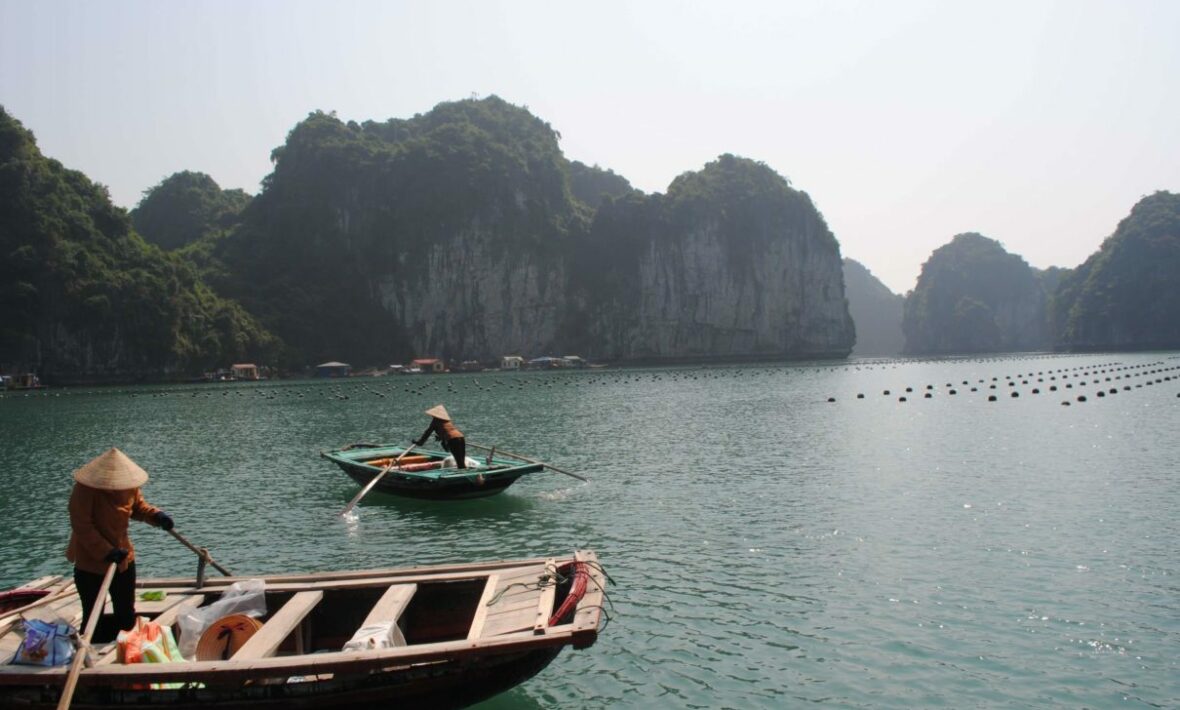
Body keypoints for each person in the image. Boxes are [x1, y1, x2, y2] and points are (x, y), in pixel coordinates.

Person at [65, 448, 174, 642]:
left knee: (125, 612)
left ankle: (127, 651)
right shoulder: (85, 489)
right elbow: (82, 525)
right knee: (93, 615)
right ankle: (89, 657)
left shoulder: (128, 486)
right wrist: (106, 552)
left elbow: (138, 507)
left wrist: (157, 516)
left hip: (123, 558)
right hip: (91, 563)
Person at [414, 404, 467, 469]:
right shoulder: (447, 421)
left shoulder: (435, 421)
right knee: (461, 461)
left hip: (453, 439)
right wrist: (441, 437)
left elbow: (427, 433)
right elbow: (447, 431)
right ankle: (463, 471)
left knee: (459, 462)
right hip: (461, 437)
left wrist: (420, 442)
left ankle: (461, 476)